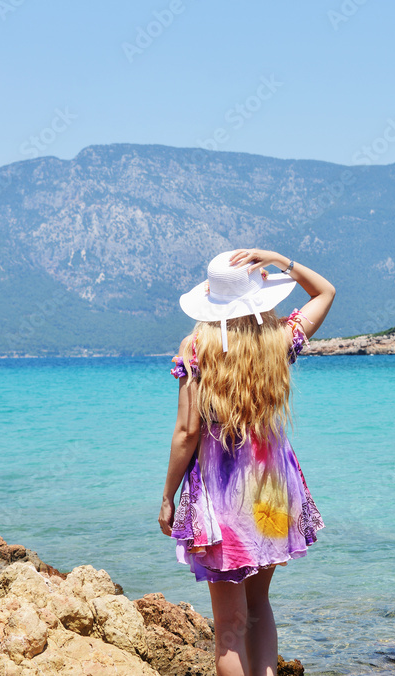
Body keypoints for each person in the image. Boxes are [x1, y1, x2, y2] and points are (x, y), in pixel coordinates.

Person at [159, 248, 335, 676]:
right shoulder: (278, 339)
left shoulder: (196, 347)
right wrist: (280, 260)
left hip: (223, 497)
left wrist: (167, 496)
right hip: (271, 490)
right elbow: (325, 292)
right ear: (257, 296)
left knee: (229, 628)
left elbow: (188, 432)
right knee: (259, 605)